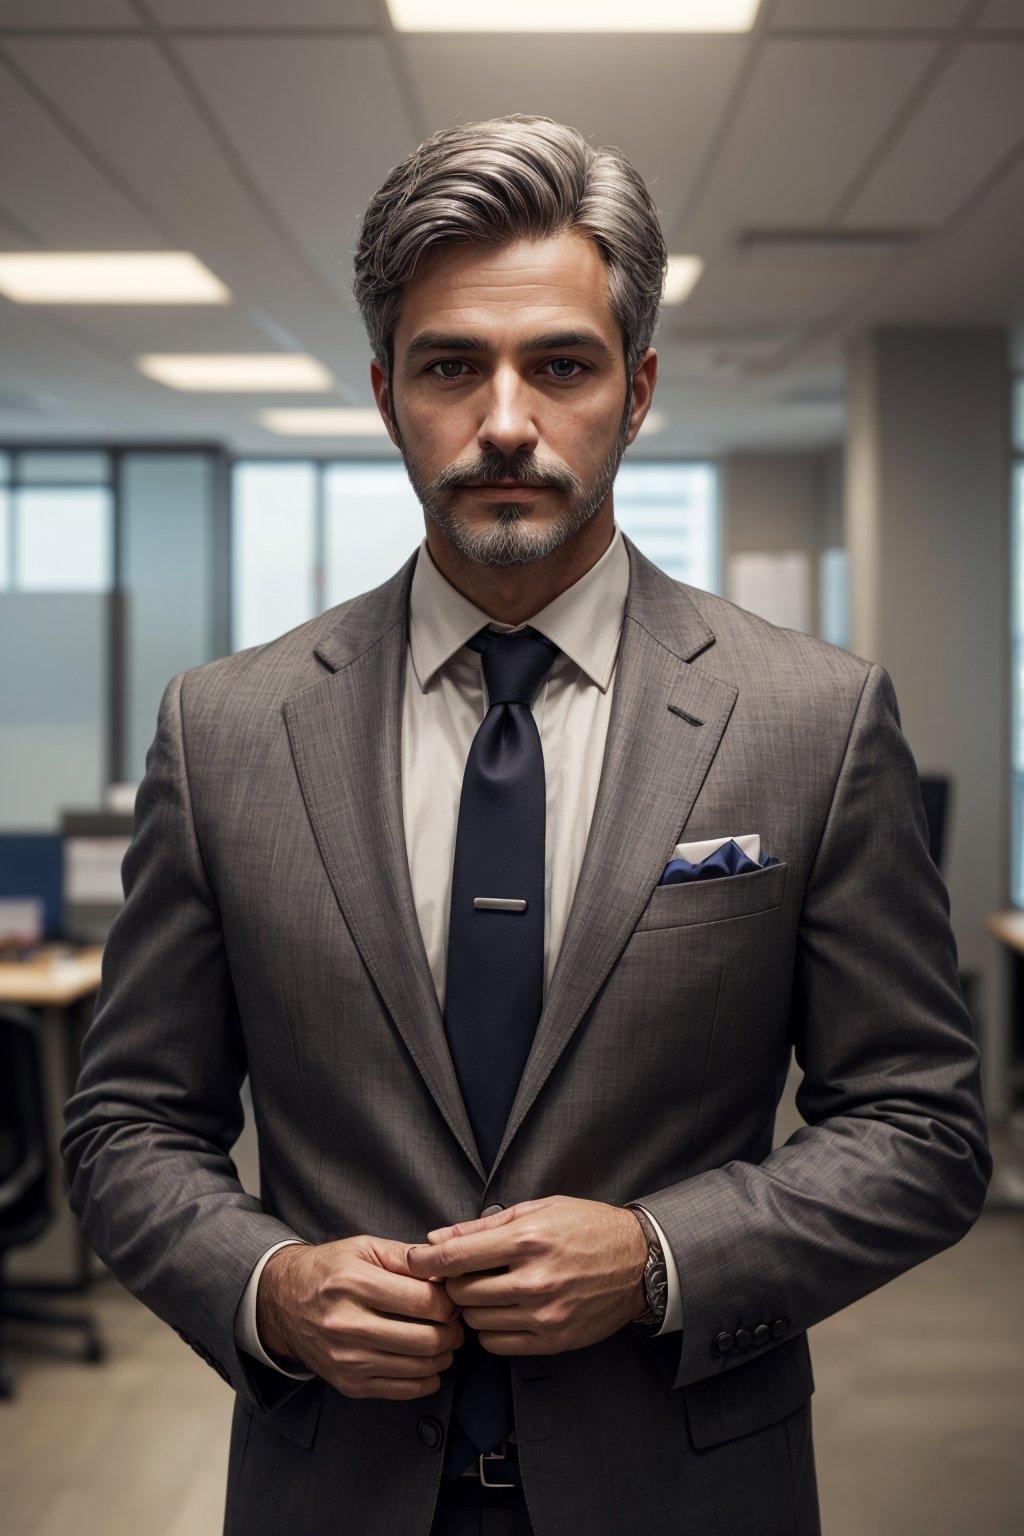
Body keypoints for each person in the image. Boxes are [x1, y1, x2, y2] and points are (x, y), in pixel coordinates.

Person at [62, 117, 990, 1536]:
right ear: (386, 395)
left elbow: (921, 1127)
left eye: (560, 364)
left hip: (685, 1486)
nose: (506, 420)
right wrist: (272, 1289)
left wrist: (663, 1255)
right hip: (333, 1487)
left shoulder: (814, 718)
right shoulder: (226, 730)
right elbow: (129, 1122)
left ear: (638, 390)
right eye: (451, 366)